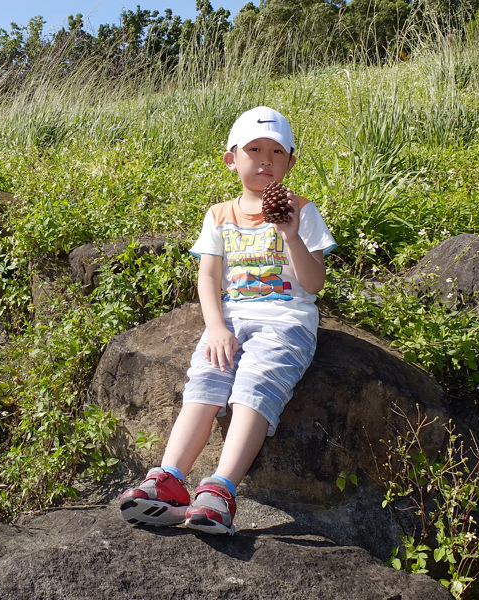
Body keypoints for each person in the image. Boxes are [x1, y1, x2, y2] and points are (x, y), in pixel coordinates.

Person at [119, 106, 336, 535]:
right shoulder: (219, 214)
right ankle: (170, 478)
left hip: (285, 321)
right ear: (231, 158)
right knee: (204, 382)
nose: (265, 160)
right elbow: (209, 276)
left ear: (291, 162)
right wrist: (216, 326)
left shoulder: (303, 211)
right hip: (233, 319)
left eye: (277, 151)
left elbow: (313, 284)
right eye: (254, 149)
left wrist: (290, 234)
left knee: (254, 386)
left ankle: (220, 490)